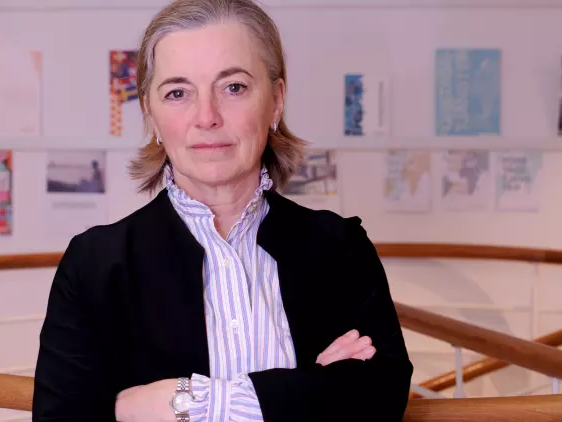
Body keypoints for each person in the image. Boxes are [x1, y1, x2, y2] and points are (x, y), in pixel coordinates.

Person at [32, 0, 413, 421]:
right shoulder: (95, 264)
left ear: (276, 101)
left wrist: (185, 402)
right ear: (150, 114)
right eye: (178, 93)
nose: (207, 117)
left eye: (233, 87)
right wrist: (311, 390)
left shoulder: (340, 246)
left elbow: (380, 397)